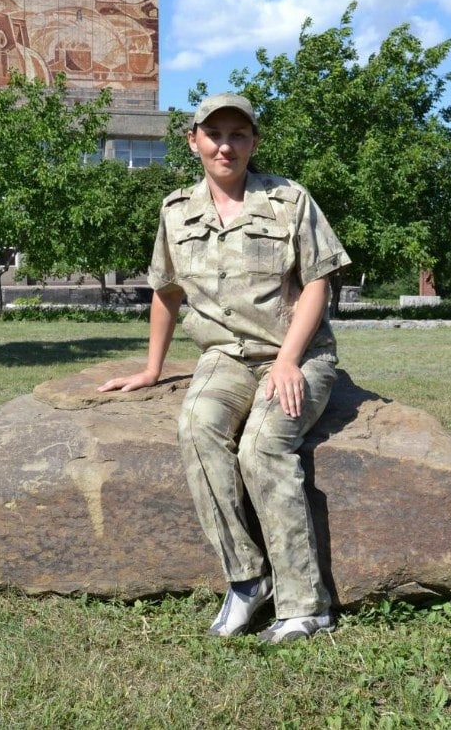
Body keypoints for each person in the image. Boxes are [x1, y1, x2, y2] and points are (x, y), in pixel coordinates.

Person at [98, 92, 351, 643]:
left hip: (298, 356)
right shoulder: (175, 211)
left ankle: (306, 606)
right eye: (214, 134)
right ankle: (245, 579)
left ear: (253, 142)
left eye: (238, 134)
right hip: (224, 358)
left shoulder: (289, 199)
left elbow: (317, 281)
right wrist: (150, 368)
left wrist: (288, 361)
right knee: (197, 426)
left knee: (262, 446)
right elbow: (165, 292)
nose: (226, 145)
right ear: (193, 142)